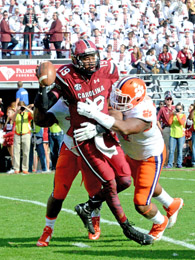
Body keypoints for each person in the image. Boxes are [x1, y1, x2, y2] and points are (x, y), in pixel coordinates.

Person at [34, 39, 153, 246]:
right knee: (61, 192)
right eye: (85, 58)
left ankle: (91, 213)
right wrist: (42, 87)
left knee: (113, 183)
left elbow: (115, 103)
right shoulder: (64, 83)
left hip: (101, 134)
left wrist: (103, 126)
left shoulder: (107, 70)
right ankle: (48, 228)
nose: (90, 62)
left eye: (92, 57)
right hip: (74, 144)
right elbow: (41, 117)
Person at [74, 76, 184, 242]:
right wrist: (98, 125)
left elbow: (124, 128)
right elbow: (115, 117)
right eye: (118, 97)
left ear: (137, 99)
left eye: (123, 99)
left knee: (141, 203)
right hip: (132, 154)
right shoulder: (125, 103)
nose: (118, 101)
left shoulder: (145, 112)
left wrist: (95, 114)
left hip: (150, 157)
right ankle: (172, 203)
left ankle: (160, 222)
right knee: (146, 185)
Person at [10, 101, 33, 174]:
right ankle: (16, 168)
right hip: (17, 134)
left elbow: (34, 115)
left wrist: (27, 108)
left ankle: (25, 168)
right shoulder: (16, 114)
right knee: (16, 152)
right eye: (21, 106)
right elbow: (12, 120)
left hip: (26, 134)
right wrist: (17, 111)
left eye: (22, 106)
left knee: (26, 152)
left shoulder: (27, 114)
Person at [157, 92, 175, 167]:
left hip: (175, 128)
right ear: (165, 100)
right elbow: (157, 120)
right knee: (166, 146)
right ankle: (166, 162)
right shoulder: (162, 109)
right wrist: (161, 129)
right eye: (167, 99)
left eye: (170, 99)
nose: (169, 101)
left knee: (174, 146)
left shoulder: (174, 108)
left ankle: (175, 162)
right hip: (166, 127)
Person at [166, 103, 186, 168]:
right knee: (171, 150)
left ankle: (179, 163)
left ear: (182, 109)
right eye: (177, 109)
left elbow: (181, 123)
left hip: (181, 134)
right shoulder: (172, 115)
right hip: (173, 134)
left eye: (179, 109)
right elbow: (169, 123)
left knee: (180, 150)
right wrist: (172, 115)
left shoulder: (183, 115)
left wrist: (177, 115)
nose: (178, 110)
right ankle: (170, 164)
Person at [3, 107, 15, 174]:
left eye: (9, 113)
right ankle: (12, 167)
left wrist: (4, 136)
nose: (8, 114)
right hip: (7, 139)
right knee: (11, 155)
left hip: (12, 139)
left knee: (13, 155)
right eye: (7, 113)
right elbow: (5, 130)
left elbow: (13, 132)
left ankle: (14, 167)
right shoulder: (7, 121)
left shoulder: (14, 122)